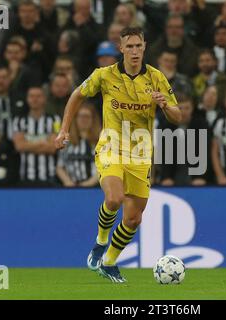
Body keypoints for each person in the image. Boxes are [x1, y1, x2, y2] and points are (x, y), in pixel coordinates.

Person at [55, 27, 181, 283]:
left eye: (138, 46)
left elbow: (177, 117)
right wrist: (64, 130)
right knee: (114, 198)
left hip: (141, 154)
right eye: (129, 46)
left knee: (133, 219)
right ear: (121, 49)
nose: (134, 51)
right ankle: (101, 242)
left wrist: (165, 105)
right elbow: (76, 95)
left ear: (144, 47)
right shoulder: (104, 75)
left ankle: (110, 262)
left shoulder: (156, 78)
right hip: (111, 147)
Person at [13, 86, 60, 187]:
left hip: (49, 177)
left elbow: (52, 148)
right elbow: (19, 146)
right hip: (26, 178)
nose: (35, 99)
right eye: (31, 96)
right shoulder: (19, 120)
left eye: (38, 96)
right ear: (27, 99)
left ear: (44, 99)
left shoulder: (54, 120)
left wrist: (27, 144)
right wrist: (43, 143)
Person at [56, 103, 100, 188]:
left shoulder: (101, 141)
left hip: (95, 188)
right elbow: (60, 167)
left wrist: (89, 183)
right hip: (71, 188)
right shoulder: (67, 141)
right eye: (81, 116)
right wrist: (68, 182)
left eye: (87, 116)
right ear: (75, 119)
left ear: (93, 119)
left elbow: (105, 167)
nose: (84, 120)